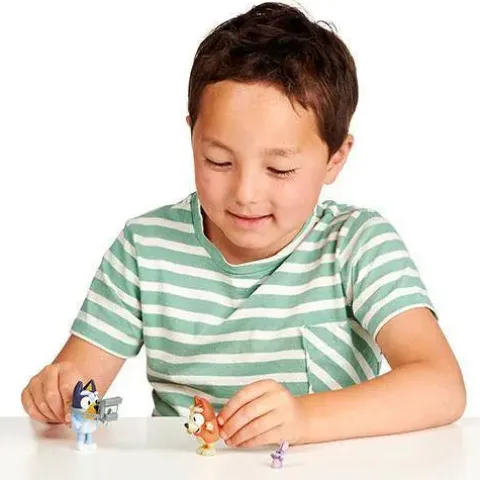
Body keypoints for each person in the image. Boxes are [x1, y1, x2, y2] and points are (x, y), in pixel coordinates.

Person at [21, 2, 466, 448]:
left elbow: (441, 386)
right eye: (218, 161)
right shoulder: (145, 248)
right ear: (191, 135)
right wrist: (56, 393)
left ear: (335, 158)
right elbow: (78, 389)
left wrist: (305, 419)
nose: (246, 193)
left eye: (280, 169)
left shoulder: (357, 245)